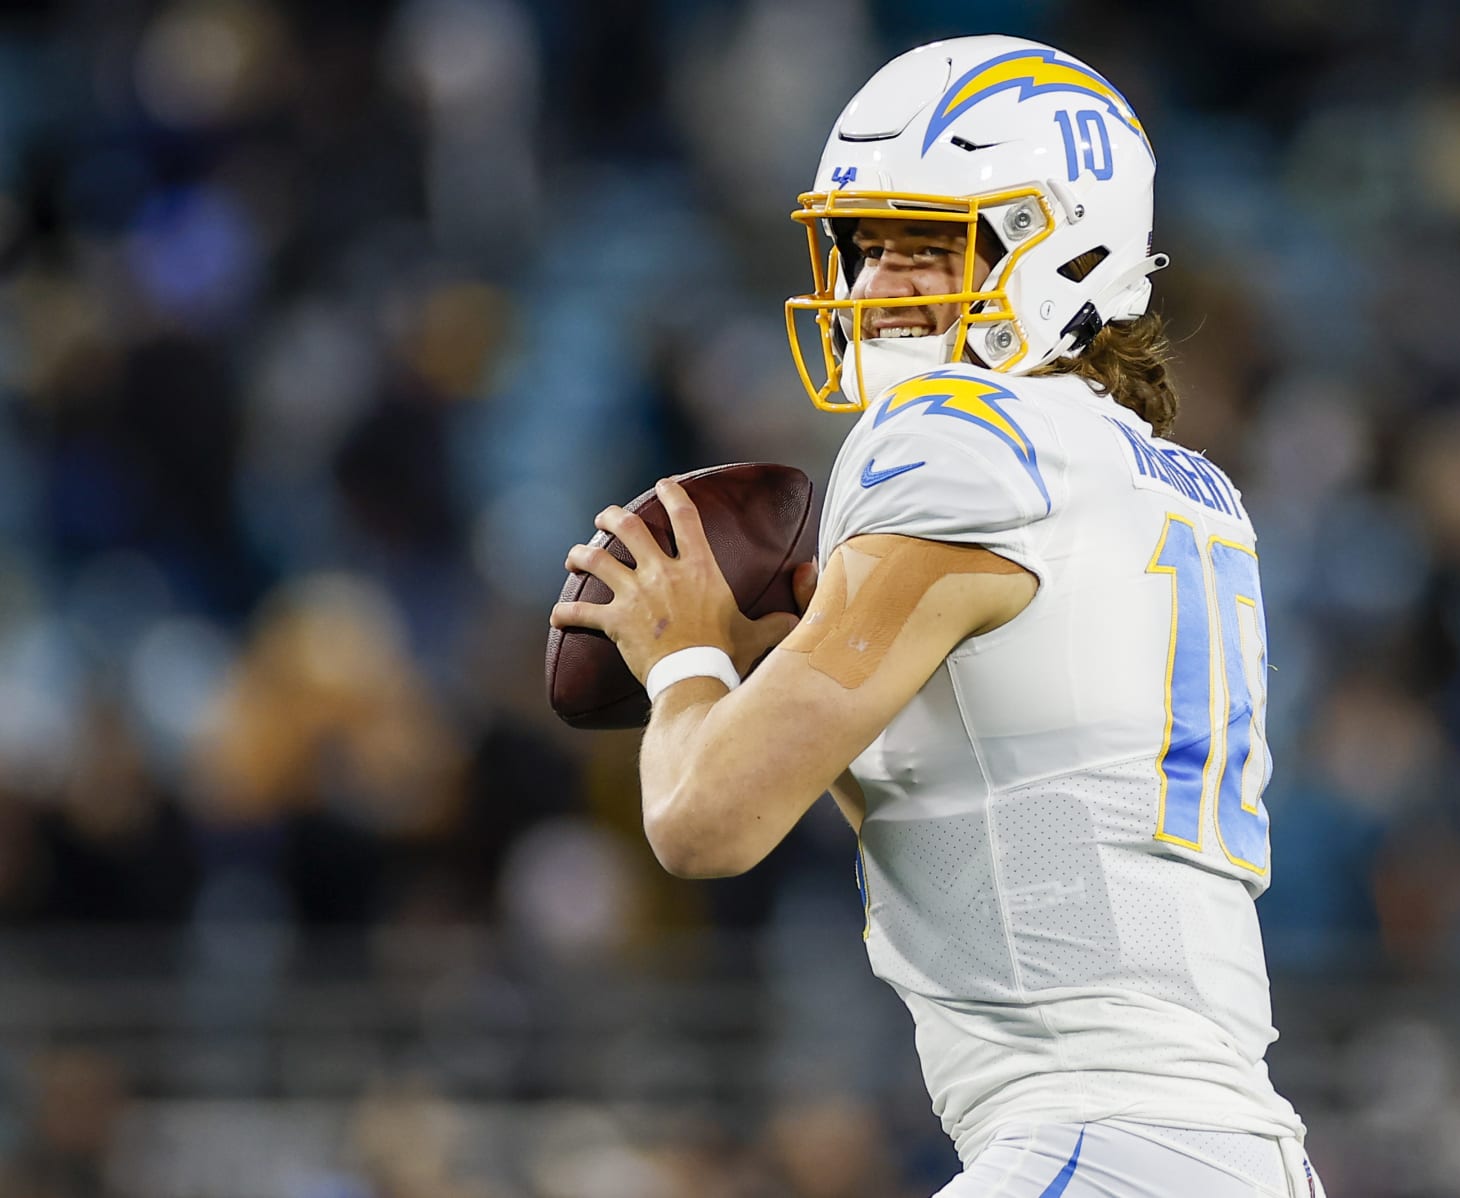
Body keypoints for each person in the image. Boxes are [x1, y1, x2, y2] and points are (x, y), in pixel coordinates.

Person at [551, 34, 1322, 1198]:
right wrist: (790, 658)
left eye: (929, 246)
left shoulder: (960, 439)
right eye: (868, 248)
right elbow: (986, 799)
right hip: (1219, 1149)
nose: (877, 286)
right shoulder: (1175, 485)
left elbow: (704, 820)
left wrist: (687, 656)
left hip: (1102, 1140)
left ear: (1065, 245)